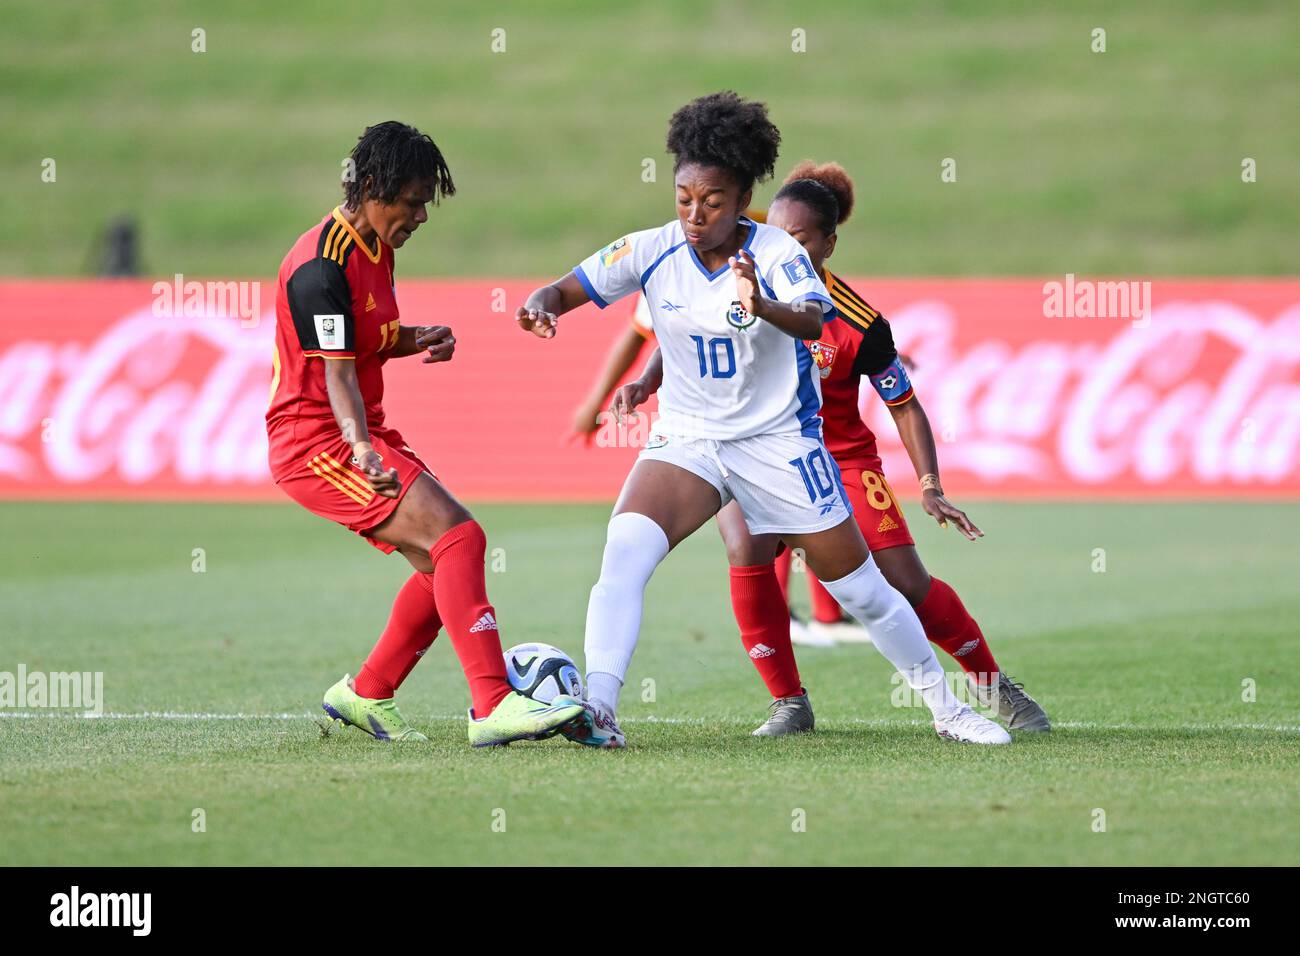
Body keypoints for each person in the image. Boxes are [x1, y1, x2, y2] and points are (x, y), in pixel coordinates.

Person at [517, 92, 1010, 748]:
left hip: (777, 442)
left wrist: (763, 303)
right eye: (684, 196)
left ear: (744, 193)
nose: (696, 214)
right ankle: (600, 711)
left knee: (864, 590)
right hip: (689, 437)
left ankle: (949, 710)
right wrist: (542, 302)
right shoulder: (652, 249)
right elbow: (570, 286)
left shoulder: (778, 253)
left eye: (713, 200)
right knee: (624, 555)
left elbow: (812, 319)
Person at [616, 161, 1051, 736]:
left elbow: (904, 403)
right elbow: (686, 335)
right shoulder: (738, 280)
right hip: (750, 446)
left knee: (904, 580)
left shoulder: (859, 322)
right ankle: (789, 702)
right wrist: (649, 378)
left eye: (797, 239)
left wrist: (929, 486)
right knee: (746, 546)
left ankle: (995, 687)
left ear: (828, 244)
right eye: (772, 231)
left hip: (840, 458)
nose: (778, 246)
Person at [266, 121, 584, 746]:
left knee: (445, 570)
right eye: (412, 201)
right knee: (459, 536)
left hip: (358, 429)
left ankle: (367, 693)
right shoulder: (317, 270)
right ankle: (493, 705)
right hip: (316, 444)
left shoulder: (376, 250)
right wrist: (360, 450)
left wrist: (417, 337)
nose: (421, 215)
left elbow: (366, 342)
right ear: (375, 190)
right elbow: (335, 377)